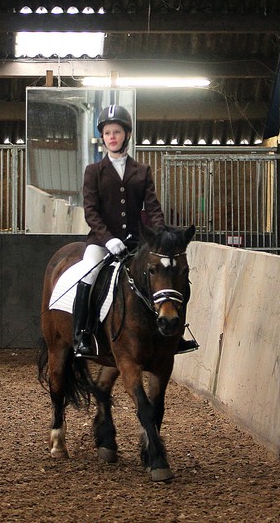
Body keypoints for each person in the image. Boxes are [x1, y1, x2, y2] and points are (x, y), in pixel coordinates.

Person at [73, 104, 199, 358]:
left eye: (117, 132)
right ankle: (82, 334)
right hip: (101, 242)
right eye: (107, 133)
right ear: (103, 137)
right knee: (88, 274)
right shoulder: (93, 172)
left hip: (136, 242)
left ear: (126, 135)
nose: (112, 137)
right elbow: (91, 212)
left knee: (172, 275)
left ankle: (176, 333)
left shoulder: (142, 172)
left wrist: (160, 237)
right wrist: (109, 240)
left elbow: (152, 208)